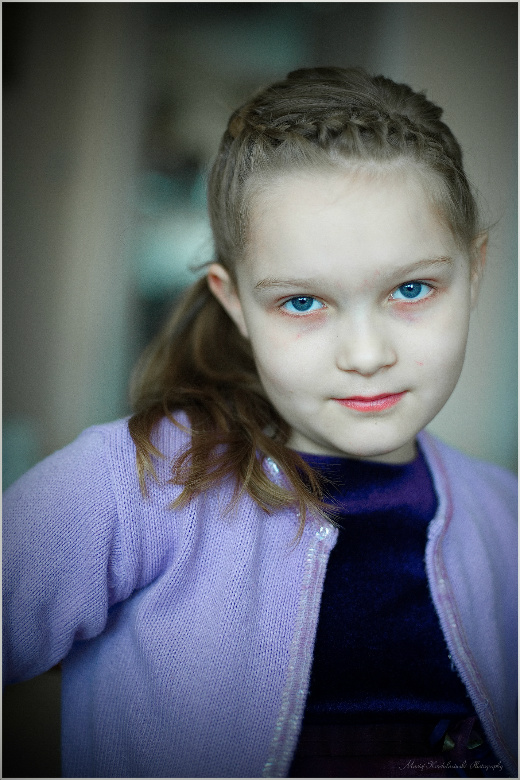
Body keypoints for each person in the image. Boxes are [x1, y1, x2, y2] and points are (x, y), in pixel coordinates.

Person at [3, 67, 517, 779]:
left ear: (475, 271)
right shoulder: (130, 486)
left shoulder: (506, 518)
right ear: (235, 303)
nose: (366, 355)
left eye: (411, 288)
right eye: (302, 302)